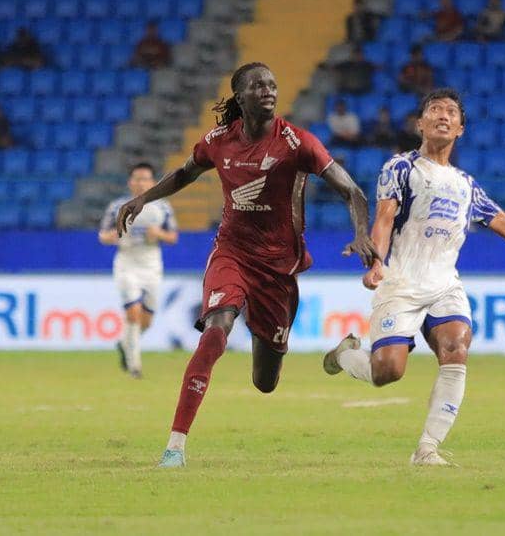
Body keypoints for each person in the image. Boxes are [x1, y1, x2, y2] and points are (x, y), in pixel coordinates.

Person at [113, 62, 377, 467]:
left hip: (278, 269)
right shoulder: (218, 140)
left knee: (265, 382)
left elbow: (352, 191)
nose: (269, 90)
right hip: (232, 253)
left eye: (272, 84)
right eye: (258, 85)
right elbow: (185, 173)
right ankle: (175, 446)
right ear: (240, 95)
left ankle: (339, 358)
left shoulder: (297, 142)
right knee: (215, 332)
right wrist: (143, 199)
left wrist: (362, 234)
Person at [321, 88, 505, 466]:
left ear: (460, 129)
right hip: (402, 282)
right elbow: (385, 218)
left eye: (451, 112)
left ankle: (427, 449)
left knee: (456, 347)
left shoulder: (466, 186)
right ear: (420, 124)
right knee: (387, 372)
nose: (443, 115)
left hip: (444, 284)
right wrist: (376, 262)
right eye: (434, 110)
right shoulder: (401, 167)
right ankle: (347, 357)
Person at [100, 163, 178, 379]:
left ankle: (124, 343)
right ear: (130, 182)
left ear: (153, 183)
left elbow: (173, 237)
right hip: (127, 264)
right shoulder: (118, 206)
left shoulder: (162, 207)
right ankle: (135, 366)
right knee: (133, 314)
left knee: (147, 321)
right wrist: (113, 237)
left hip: (152, 265)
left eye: (145, 179)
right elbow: (103, 234)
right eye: (137, 178)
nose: (141, 183)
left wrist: (159, 234)